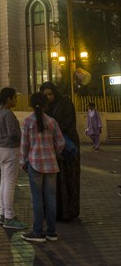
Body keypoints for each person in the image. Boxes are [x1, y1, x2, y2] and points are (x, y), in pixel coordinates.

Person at [20, 92, 65, 243]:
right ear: (46, 105)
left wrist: (23, 161)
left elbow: (24, 145)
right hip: (51, 164)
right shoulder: (52, 121)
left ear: (31, 104)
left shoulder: (28, 121)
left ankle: (38, 232)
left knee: (37, 199)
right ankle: (51, 232)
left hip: (35, 163)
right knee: (51, 198)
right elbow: (61, 142)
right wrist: (53, 152)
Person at [40, 81, 80, 221]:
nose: (49, 97)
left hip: (67, 146)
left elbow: (69, 122)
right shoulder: (45, 108)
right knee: (53, 181)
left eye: (51, 94)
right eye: (46, 95)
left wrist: (55, 130)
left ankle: (68, 211)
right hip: (52, 148)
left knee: (67, 178)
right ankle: (54, 211)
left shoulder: (64, 103)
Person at [0, 87, 26, 230]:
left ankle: (2, 214)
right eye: (14, 98)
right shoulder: (8, 114)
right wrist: (22, 136)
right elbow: (13, 134)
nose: (15, 100)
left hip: (1, 149)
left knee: (4, 181)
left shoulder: (0, 112)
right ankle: (9, 216)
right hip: (10, 150)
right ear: (8, 99)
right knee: (10, 183)